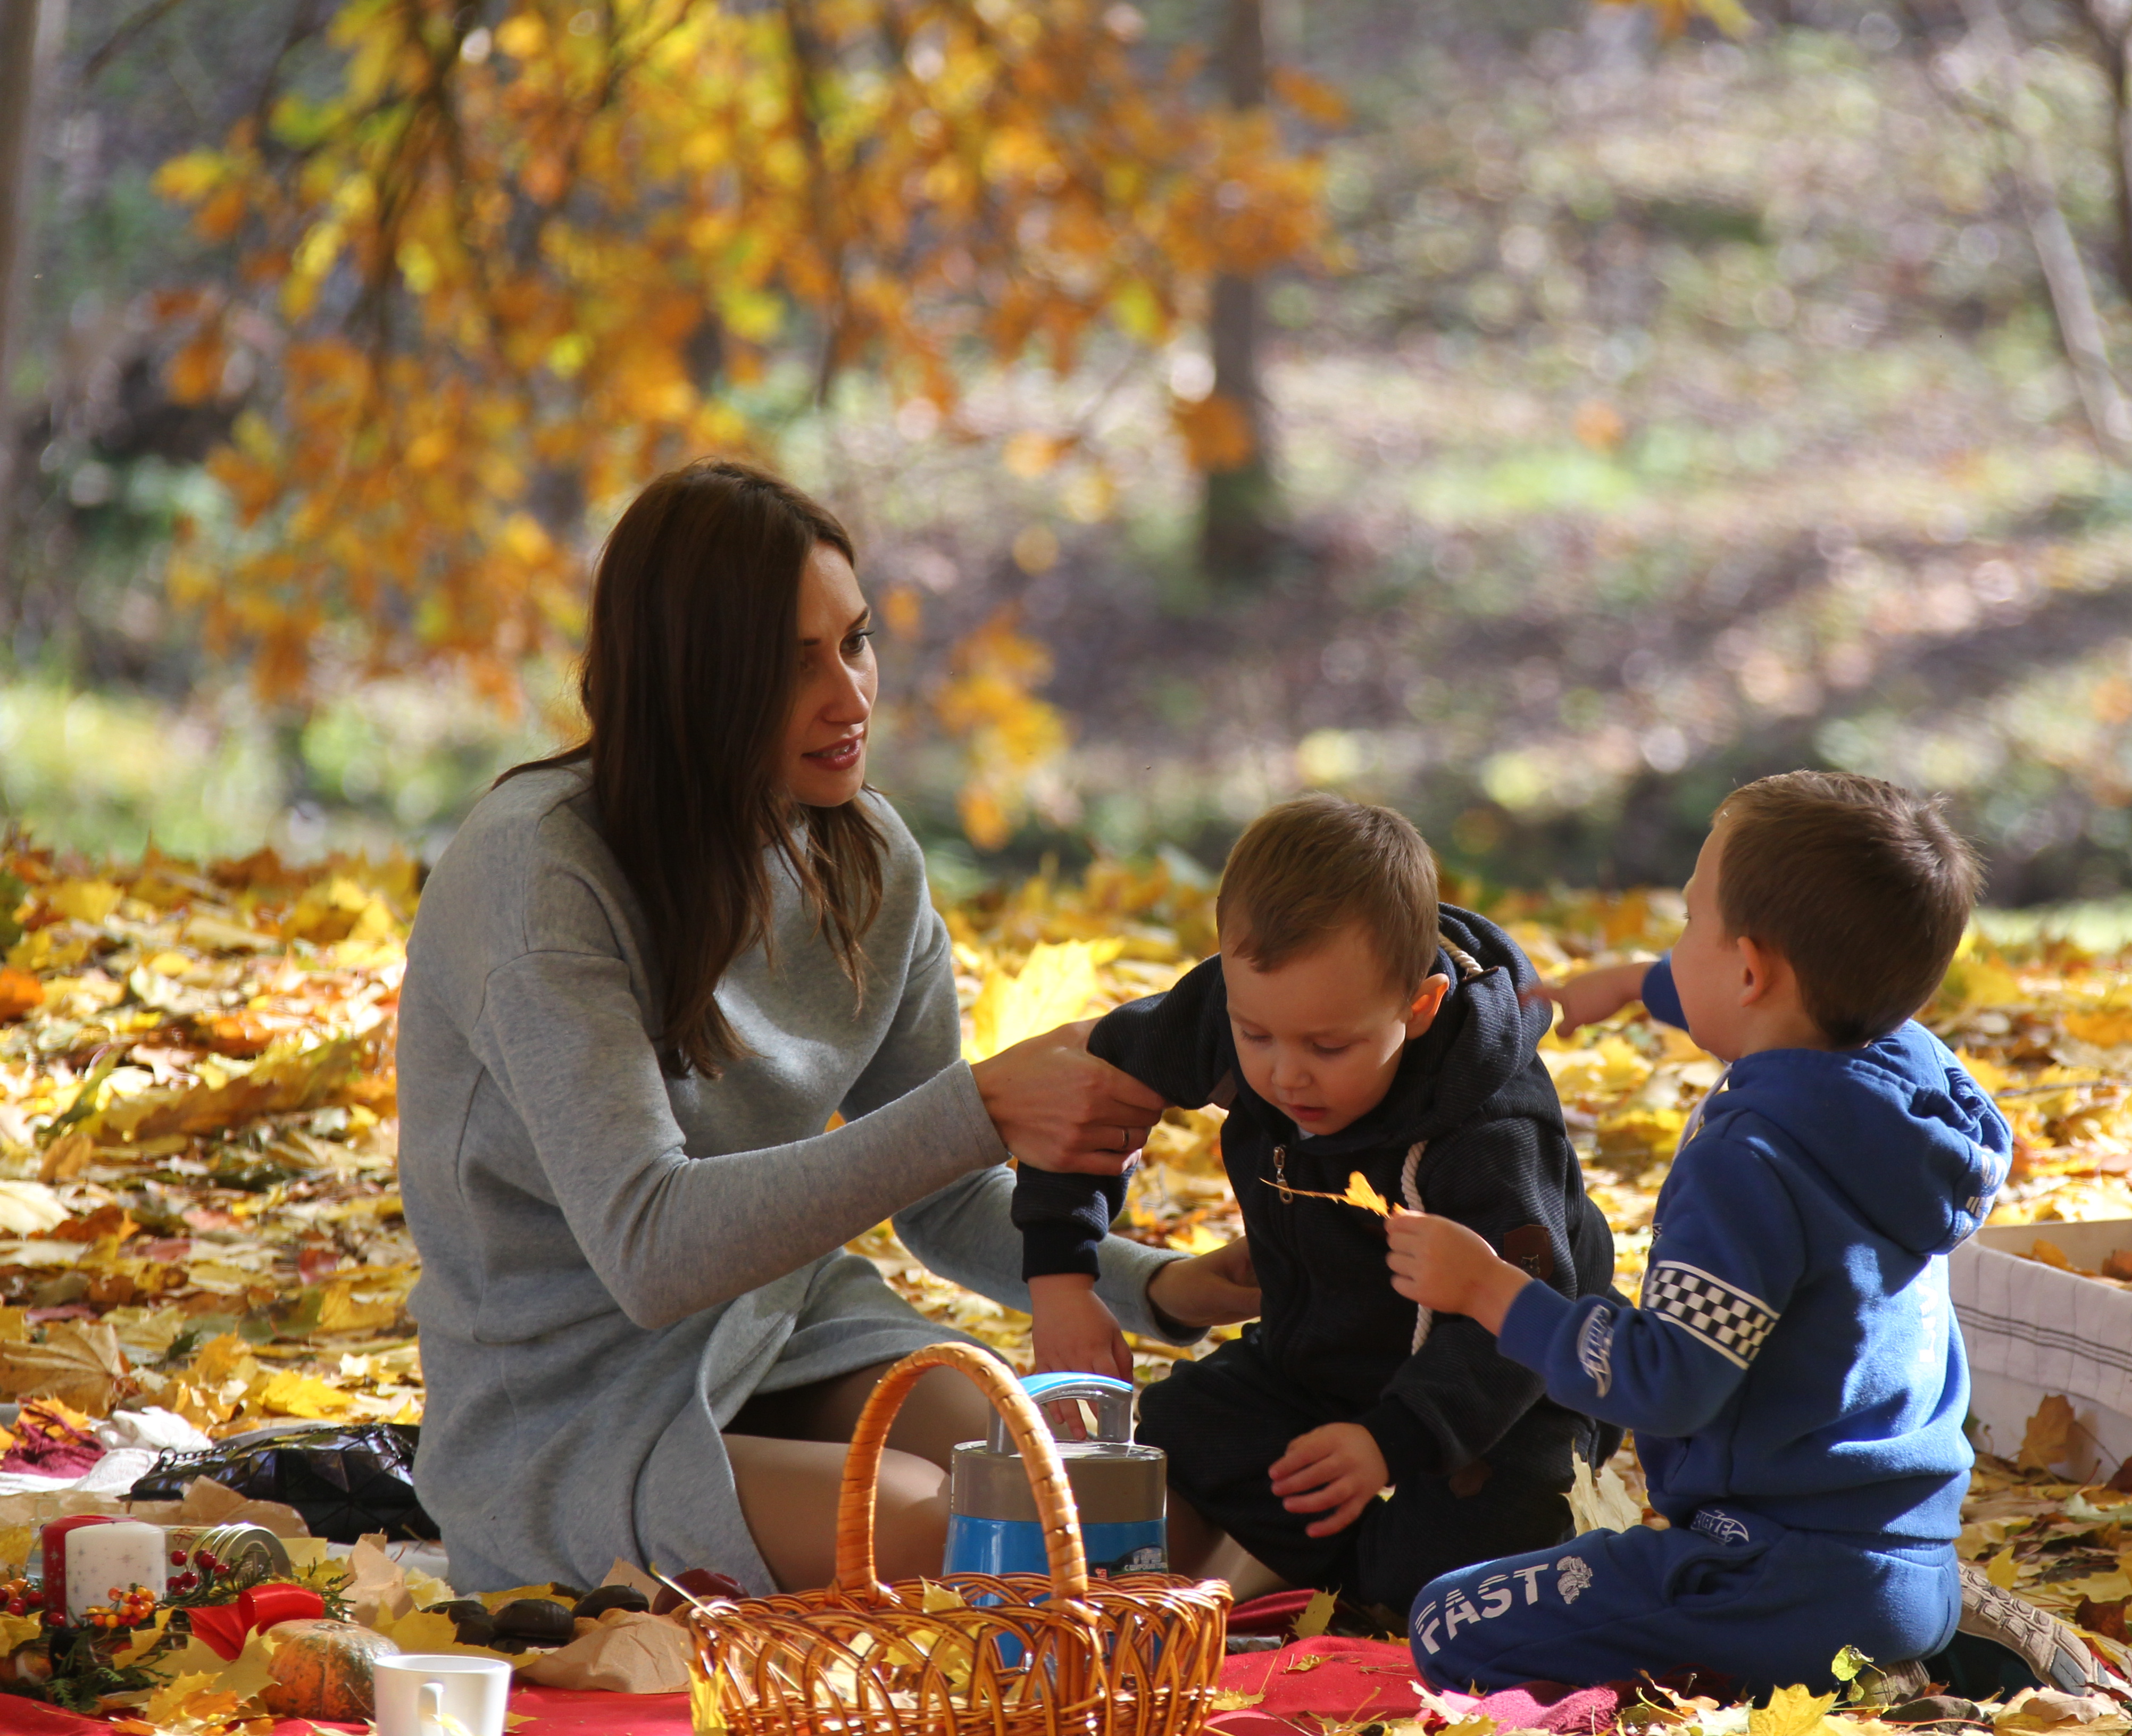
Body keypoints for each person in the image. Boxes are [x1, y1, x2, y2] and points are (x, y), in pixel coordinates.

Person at [396, 458, 1260, 1597]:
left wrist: (1162, 1288)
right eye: (793, 665)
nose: (848, 697)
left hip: (791, 1324)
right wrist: (987, 1105)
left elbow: (944, 1197)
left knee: (1089, 1502)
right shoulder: (540, 873)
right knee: (954, 1536)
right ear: (692, 681)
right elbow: (651, 1250)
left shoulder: (867, 857)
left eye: (854, 642)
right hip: (572, 1405)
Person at [1385, 770, 2008, 1693]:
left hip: (1771, 1572)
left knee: (1445, 1619)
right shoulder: (1907, 1079)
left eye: (1686, 924)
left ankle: (1823, 1675)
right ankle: (1911, 1643)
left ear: (1752, 970)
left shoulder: (1750, 1165)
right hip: (1906, 1553)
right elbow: (1783, 993)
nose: (1676, 948)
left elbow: (1666, 1380)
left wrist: (1489, 1290)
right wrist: (1637, 984)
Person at [1011, 795, 1614, 1615]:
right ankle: (1326, 1572)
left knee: (1454, 1582)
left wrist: (1390, 1443)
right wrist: (1063, 1281)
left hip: (1503, 1397)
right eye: (1254, 1036)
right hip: (1316, 1362)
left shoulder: (1492, 1127)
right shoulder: (1251, 1003)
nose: (1285, 1074)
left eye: (1328, 1048)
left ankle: (1364, 1586)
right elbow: (1089, 1098)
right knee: (1177, 1430)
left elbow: (1524, 1322)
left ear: (1419, 1007)